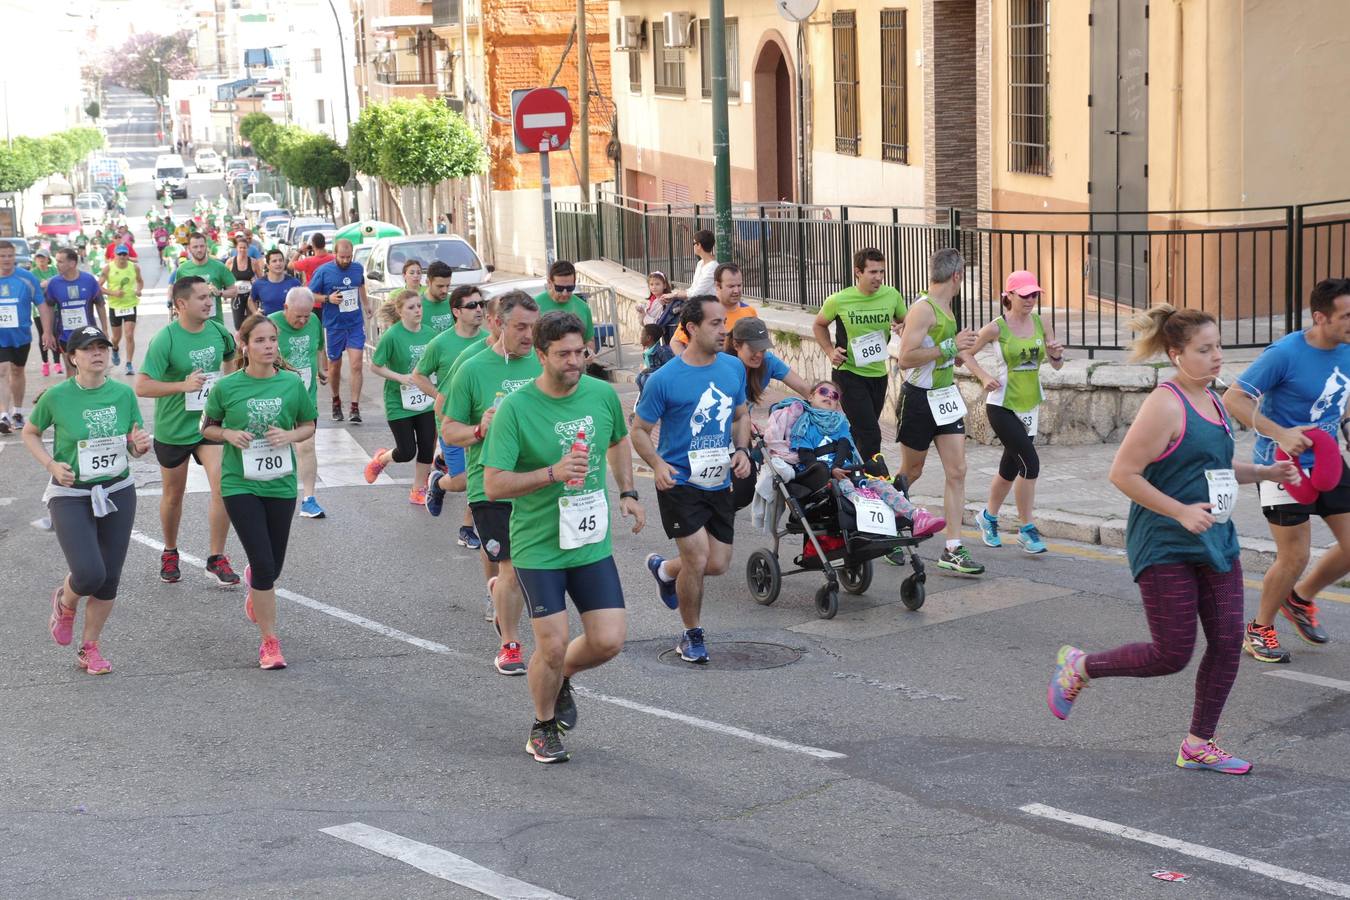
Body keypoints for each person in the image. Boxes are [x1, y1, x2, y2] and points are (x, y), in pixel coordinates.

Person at [1048, 306, 1298, 775]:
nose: (1217, 357)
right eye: (1204, 350)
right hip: (1165, 544)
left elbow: (1215, 469)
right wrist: (1180, 511)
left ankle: (1199, 743)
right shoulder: (1165, 403)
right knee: (1171, 655)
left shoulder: (1215, 399)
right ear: (1176, 354)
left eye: (1218, 346)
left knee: (1226, 644)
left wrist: (1263, 471)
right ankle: (1079, 667)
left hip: (1214, 540)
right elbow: (1123, 473)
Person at [483, 311, 644, 763]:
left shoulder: (599, 394)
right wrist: (550, 473)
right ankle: (543, 725)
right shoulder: (517, 408)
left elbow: (616, 440)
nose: (575, 362)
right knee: (550, 644)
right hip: (538, 545)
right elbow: (494, 483)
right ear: (541, 355)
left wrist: (628, 491)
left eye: (581, 352)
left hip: (589, 539)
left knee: (609, 640)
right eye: (564, 354)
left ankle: (562, 676)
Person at [1222, 277, 1350, 662]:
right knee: (1294, 554)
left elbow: (1341, 405)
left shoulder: (1347, 348)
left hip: (1328, 461)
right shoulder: (1285, 354)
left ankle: (1299, 599)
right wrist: (1281, 433)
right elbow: (1234, 398)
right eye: (1346, 315)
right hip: (1282, 466)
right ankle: (1259, 628)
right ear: (1320, 318)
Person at [22, 326, 152, 676]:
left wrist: (139, 447)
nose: (98, 353)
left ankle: (89, 647)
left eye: (103, 347)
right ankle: (65, 602)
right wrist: (51, 464)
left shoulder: (123, 395)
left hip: (117, 490)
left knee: (109, 578)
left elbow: (132, 443)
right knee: (89, 573)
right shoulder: (57, 396)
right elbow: (30, 432)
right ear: (73, 357)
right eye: (89, 348)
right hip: (71, 493)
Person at [631, 296, 751, 664]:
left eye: (724, 322)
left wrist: (742, 450)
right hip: (679, 480)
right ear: (692, 328)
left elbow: (741, 413)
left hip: (717, 479)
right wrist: (656, 463)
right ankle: (691, 634)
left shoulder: (732, 368)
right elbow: (638, 430)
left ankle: (665, 570)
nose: (724, 329)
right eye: (715, 323)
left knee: (718, 563)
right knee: (697, 557)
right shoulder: (664, 379)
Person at [201, 314, 317, 670]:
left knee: (272, 567)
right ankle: (270, 642)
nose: (268, 346)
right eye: (260, 340)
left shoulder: (291, 384)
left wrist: (290, 436)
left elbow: (308, 424)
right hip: (240, 484)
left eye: (272, 340)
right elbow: (208, 428)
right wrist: (228, 435)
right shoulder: (227, 387)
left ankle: (258, 586)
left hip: (280, 483)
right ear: (245, 345)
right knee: (265, 566)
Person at [443, 292, 543, 674]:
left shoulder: (544, 362)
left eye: (534, 327)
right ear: (497, 323)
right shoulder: (472, 367)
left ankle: (500, 592)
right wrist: (478, 429)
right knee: (512, 569)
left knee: (529, 571)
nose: (529, 336)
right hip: (492, 487)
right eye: (521, 327)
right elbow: (449, 429)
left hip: (539, 484)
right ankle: (510, 645)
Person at [134, 277, 241, 586]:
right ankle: (170, 551)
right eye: (201, 298)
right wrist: (183, 385)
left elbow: (230, 355)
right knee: (172, 496)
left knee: (224, 485)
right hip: (174, 430)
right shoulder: (165, 339)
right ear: (181, 304)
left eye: (210, 296)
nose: (209, 302)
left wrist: (228, 389)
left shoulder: (218, 331)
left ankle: (216, 557)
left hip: (209, 426)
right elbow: (142, 386)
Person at [965, 270, 1065, 555]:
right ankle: (1027, 529)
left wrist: (1056, 353)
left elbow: (1056, 364)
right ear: (1009, 296)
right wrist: (984, 377)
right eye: (1025, 295)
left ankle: (988, 517)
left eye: (1034, 294)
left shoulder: (1041, 321)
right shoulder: (997, 327)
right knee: (1030, 464)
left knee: (1009, 469)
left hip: (1030, 404)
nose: (1031, 300)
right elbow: (966, 354)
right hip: (1002, 405)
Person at [896, 248, 983, 575]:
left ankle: (953, 548)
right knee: (912, 471)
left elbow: (940, 353)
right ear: (957, 275)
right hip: (918, 399)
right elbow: (906, 357)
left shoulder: (947, 306)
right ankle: (889, 526)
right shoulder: (923, 309)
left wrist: (954, 356)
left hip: (945, 398)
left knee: (957, 470)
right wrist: (949, 347)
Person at [765, 380, 945, 537]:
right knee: (846, 485)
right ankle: (877, 512)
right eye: (823, 392)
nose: (829, 397)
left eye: (835, 396)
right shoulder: (804, 424)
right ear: (811, 397)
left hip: (845, 469)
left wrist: (839, 467)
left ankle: (915, 516)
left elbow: (844, 446)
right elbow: (805, 456)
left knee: (877, 483)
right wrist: (831, 471)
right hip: (818, 474)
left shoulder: (841, 423)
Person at [812, 247, 907, 460]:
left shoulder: (892, 295)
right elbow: (819, 325)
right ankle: (872, 479)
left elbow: (907, 322)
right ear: (858, 272)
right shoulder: (839, 299)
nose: (879, 277)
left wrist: (903, 328)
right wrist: (829, 351)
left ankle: (842, 467)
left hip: (878, 375)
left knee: (859, 431)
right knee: (871, 433)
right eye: (873, 272)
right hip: (849, 373)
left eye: (882, 271)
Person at [414, 284, 487, 549]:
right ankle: (439, 482)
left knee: (481, 478)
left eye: (481, 304)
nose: (479, 309)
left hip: (482, 423)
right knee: (462, 481)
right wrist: (441, 397)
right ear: (456, 311)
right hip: (451, 422)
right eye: (472, 305)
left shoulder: (490, 340)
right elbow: (418, 375)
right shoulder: (441, 343)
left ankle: (467, 528)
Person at [363, 290, 437, 504]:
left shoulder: (430, 334)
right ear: (400, 311)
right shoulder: (392, 336)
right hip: (399, 401)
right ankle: (381, 459)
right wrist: (400, 377)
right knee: (406, 451)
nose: (417, 311)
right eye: (411, 307)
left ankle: (418, 490)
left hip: (425, 399)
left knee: (426, 446)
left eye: (419, 306)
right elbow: (375, 366)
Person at [270, 286, 328, 519]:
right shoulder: (269, 324)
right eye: (298, 316)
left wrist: (321, 369)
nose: (303, 320)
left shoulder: (314, 321)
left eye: (307, 315)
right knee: (276, 447)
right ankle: (273, 497)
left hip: (306, 396)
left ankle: (309, 499)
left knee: (306, 446)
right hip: (276, 398)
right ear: (286, 308)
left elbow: (318, 347)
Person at [310, 238, 369, 424]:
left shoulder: (357, 268)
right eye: (342, 257)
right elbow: (310, 294)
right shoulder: (324, 271)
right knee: (335, 366)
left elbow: (360, 285)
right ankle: (336, 400)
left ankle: (354, 407)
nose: (346, 260)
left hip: (354, 324)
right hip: (334, 326)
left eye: (349, 257)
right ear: (334, 254)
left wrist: (366, 305)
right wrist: (328, 298)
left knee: (357, 364)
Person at [41, 248, 108, 377]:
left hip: (88, 334)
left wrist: (105, 329)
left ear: (72, 263)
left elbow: (100, 305)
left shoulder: (89, 280)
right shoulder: (54, 283)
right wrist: (48, 332)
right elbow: (48, 307)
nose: (57, 265)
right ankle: (72, 396)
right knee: (71, 368)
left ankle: (90, 395)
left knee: (89, 369)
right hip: (65, 334)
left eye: (60, 262)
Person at [0, 241, 39, 433]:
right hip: (0, 336)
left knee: (17, 371)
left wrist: (46, 331)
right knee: (2, 370)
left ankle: (17, 411)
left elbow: (41, 303)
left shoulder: (26, 278)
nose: (6, 259)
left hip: (21, 335)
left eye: (9, 255)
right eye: (2, 256)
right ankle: (3, 415)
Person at [171, 232, 239, 325]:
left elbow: (234, 291)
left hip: (214, 322)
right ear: (189, 249)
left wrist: (219, 293)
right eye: (195, 247)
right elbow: (177, 294)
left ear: (206, 247)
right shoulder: (182, 270)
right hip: (190, 324)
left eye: (202, 246)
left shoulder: (219, 267)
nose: (199, 250)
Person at [97, 243, 143, 376]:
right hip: (115, 306)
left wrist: (139, 290)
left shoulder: (134, 267)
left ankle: (129, 364)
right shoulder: (108, 268)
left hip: (130, 305)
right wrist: (113, 293)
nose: (122, 257)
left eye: (125, 254)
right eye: (120, 254)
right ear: (115, 255)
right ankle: (115, 348)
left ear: (128, 255)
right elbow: (98, 286)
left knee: (129, 335)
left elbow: (140, 281)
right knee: (116, 337)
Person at [533, 260, 594, 344]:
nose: (565, 293)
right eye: (559, 288)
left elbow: (589, 340)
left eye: (570, 288)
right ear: (550, 283)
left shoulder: (583, 307)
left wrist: (589, 351)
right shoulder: (534, 306)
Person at [662, 229, 717, 304]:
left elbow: (696, 293)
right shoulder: (700, 263)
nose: (693, 246)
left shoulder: (712, 267)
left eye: (693, 243)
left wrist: (675, 294)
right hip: (697, 304)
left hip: (707, 307)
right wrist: (674, 294)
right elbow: (693, 288)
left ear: (699, 245)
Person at [29, 249, 59, 376]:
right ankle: (45, 363)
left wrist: (48, 282)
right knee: (43, 335)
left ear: (48, 259)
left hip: (54, 307)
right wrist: (45, 283)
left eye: (43, 258)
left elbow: (59, 279)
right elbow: (36, 286)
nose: (41, 260)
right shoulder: (33, 272)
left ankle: (57, 363)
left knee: (55, 334)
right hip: (38, 310)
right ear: (35, 260)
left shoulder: (53, 270)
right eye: (38, 258)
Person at [251, 249, 301, 317]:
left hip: (288, 324)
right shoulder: (258, 284)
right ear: (268, 265)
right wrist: (255, 312)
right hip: (268, 324)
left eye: (281, 260)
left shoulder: (294, 283)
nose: (278, 263)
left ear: (284, 263)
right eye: (274, 261)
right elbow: (250, 300)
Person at [226, 235, 260, 329]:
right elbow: (224, 278)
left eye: (244, 248)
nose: (242, 250)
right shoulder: (230, 262)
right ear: (236, 248)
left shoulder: (253, 262)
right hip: (237, 296)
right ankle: (240, 342)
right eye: (240, 248)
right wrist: (226, 290)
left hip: (250, 295)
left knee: (252, 322)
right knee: (238, 325)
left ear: (248, 248)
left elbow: (261, 279)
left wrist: (256, 283)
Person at [419, 260, 456, 334]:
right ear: (428, 282)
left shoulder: (454, 301)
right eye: (440, 286)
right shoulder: (416, 305)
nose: (445, 291)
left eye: (448, 285)